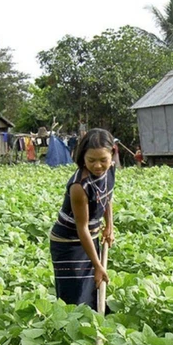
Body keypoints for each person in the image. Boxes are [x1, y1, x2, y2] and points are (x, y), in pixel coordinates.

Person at [49, 128, 115, 309]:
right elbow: (82, 228)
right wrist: (97, 265)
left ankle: (95, 321)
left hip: (90, 237)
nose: (98, 166)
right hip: (68, 243)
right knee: (75, 296)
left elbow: (107, 196)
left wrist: (109, 226)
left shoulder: (110, 170)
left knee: (93, 291)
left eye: (103, 160)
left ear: (112, 154)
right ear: (83, 157)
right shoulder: (79, 185)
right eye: (91, 160)